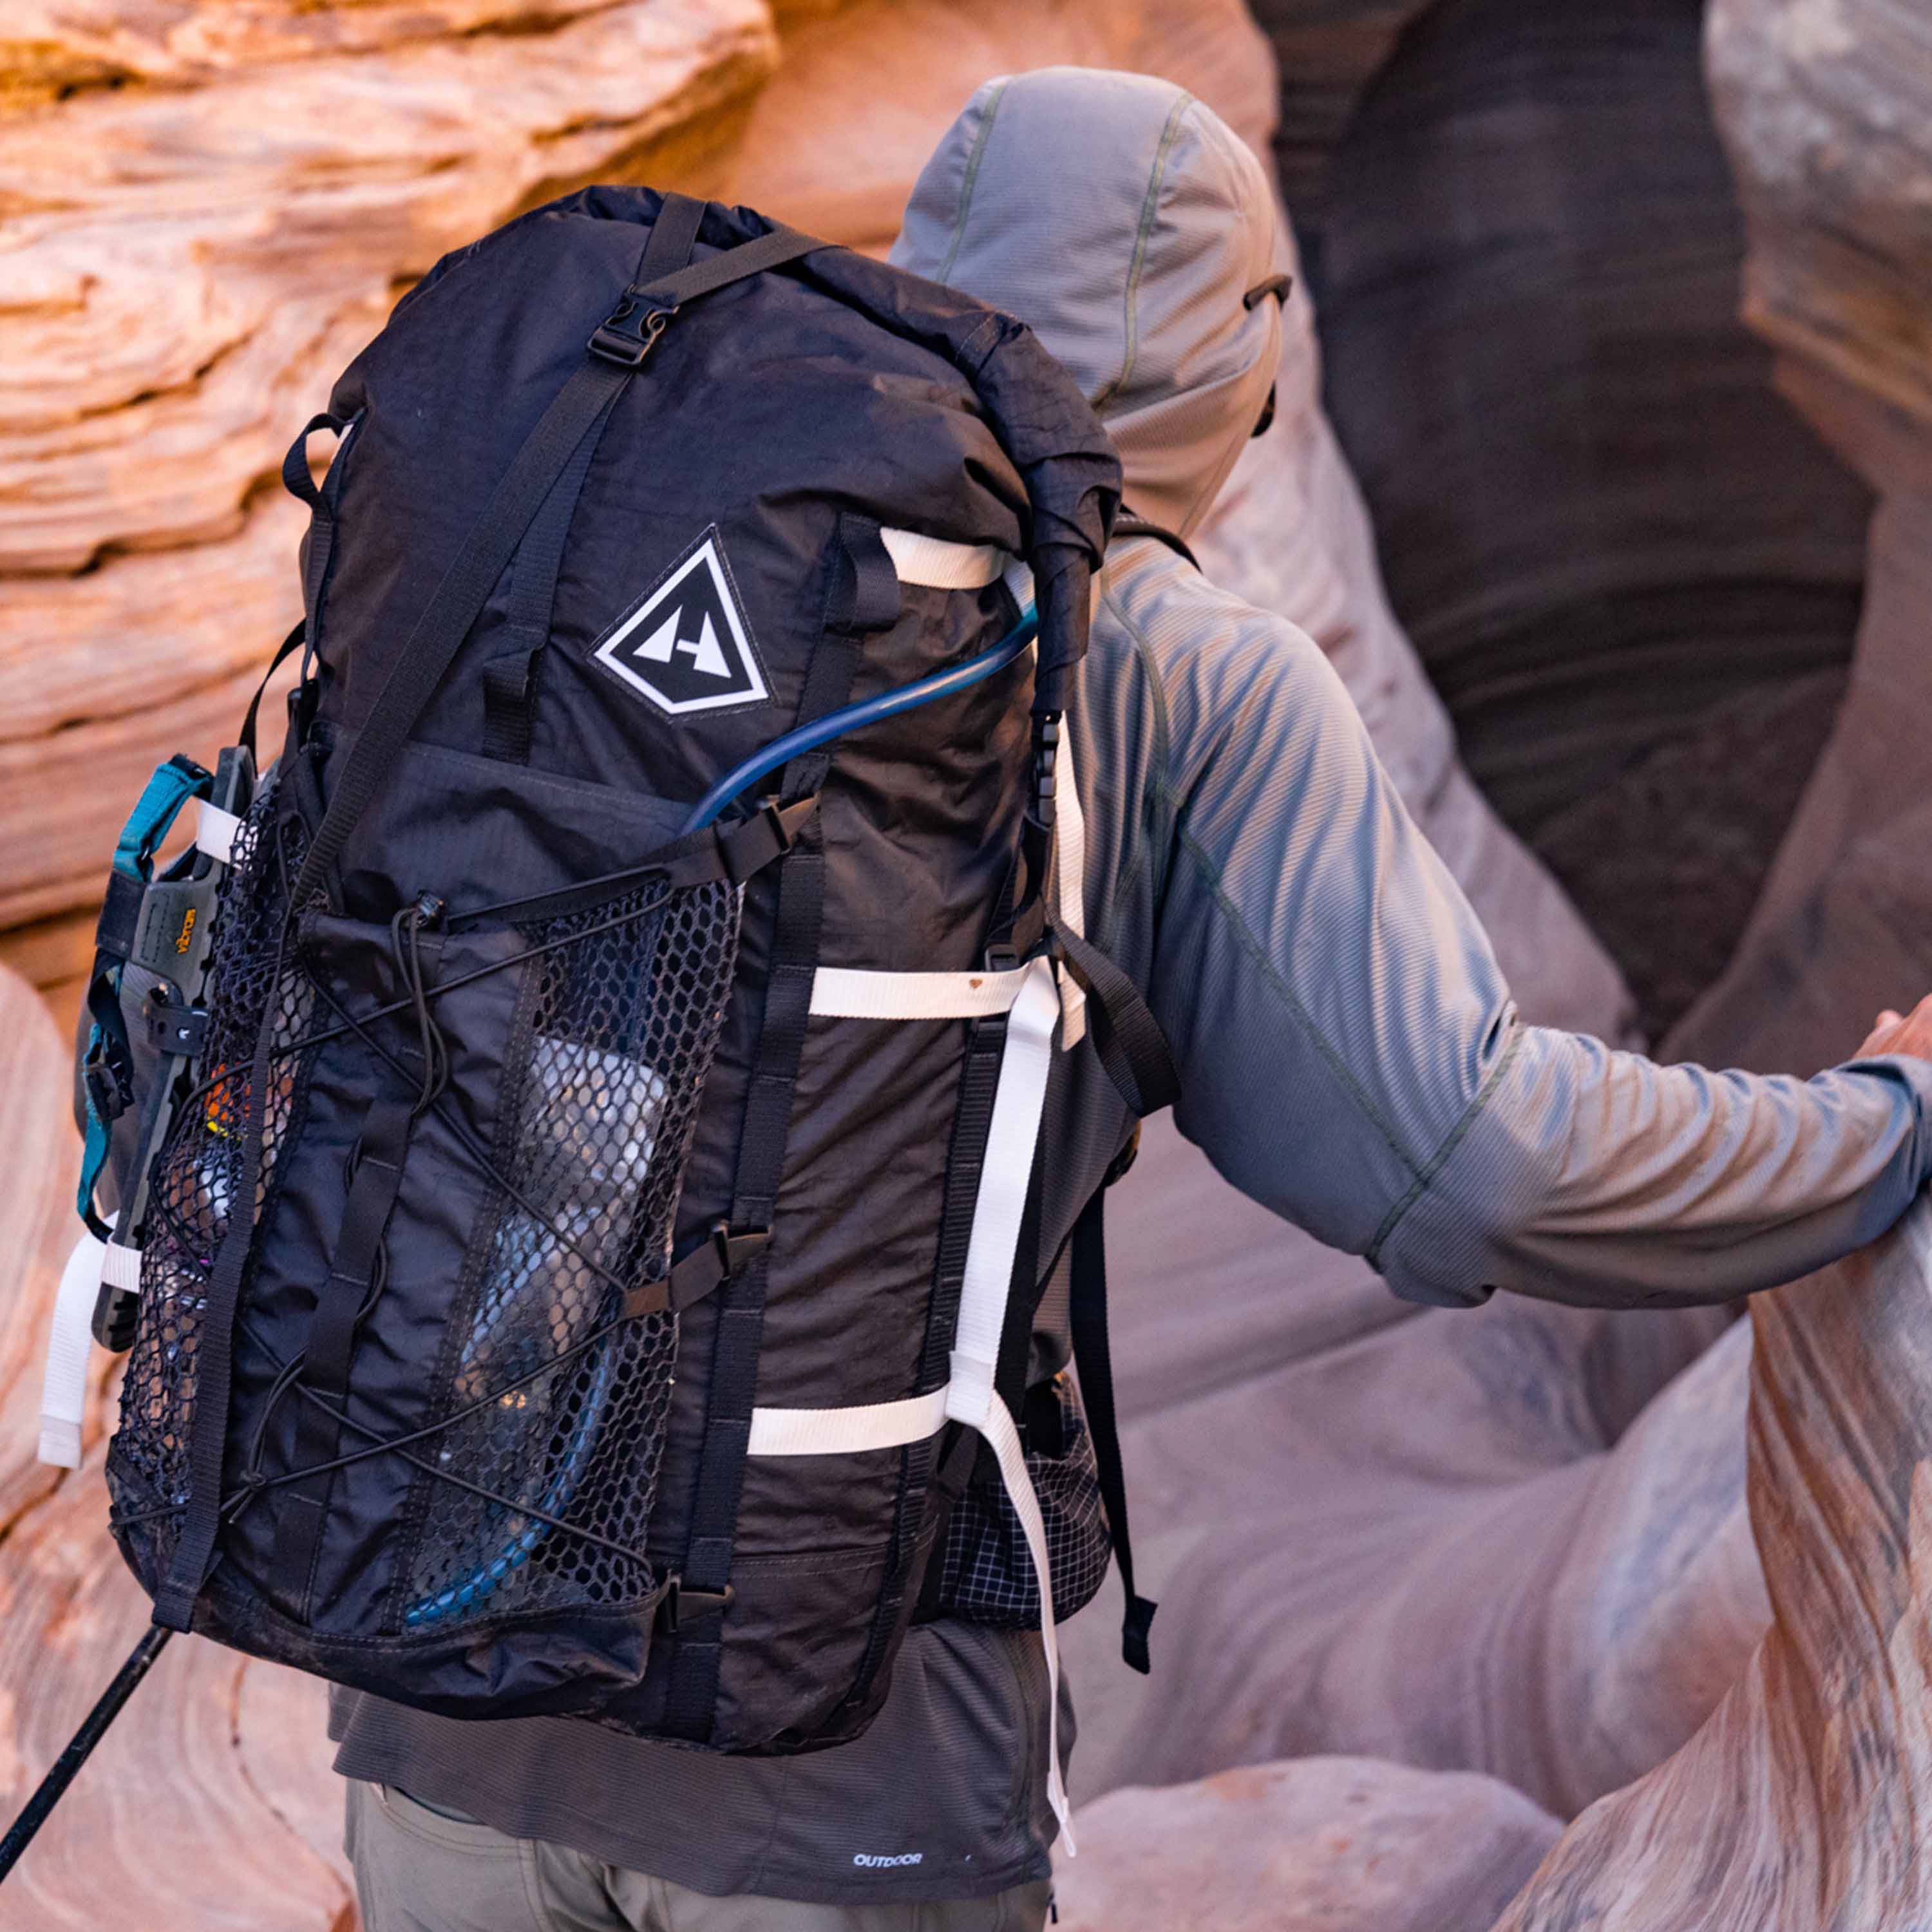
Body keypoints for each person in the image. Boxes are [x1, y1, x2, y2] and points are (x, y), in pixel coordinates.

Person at [335, 66, 1932, 1932]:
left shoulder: (634, 573)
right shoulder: (1164, 668)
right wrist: (1875, 1130)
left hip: (429, 1690)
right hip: (821, 1775)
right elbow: (1472, 1161)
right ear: (1242, 365)